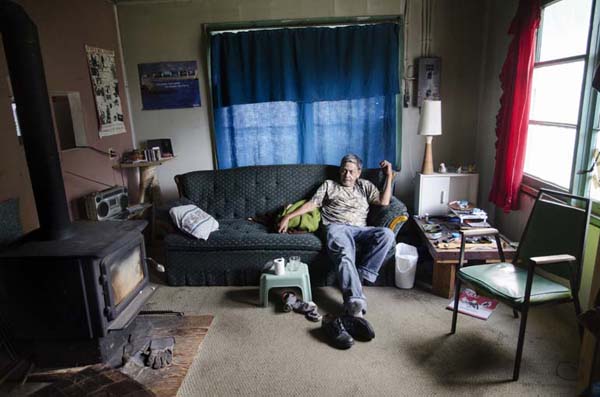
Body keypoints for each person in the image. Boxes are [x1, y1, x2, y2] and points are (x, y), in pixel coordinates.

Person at [277, 154, 395, 349]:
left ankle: (359, 278)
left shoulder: (365, 186)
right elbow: (311, 204)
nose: (346, 175)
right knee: (344, 254)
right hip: (336, 228)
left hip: (361, 229)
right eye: (343, 170)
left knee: (387, 235)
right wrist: (288, 217)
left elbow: (384, 202)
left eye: (351, 171)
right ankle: (355, 311)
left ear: (358, 173)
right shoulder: (329, 185)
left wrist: (389, 176)